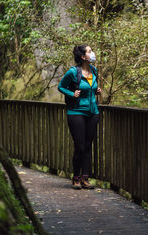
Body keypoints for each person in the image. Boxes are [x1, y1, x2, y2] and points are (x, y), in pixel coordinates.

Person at [58, 45, 101, 189]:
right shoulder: (73, 72)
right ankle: (76, 177)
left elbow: (90, 89)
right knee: (80, 146)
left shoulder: (94, 70)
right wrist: (72, 94)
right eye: (89, 51)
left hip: (92, 112)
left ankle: (85, 178)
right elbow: (61, 86)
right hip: (76, 112)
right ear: (83, 57)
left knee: (88, 146)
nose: (92, 53)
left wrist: (96, 91)